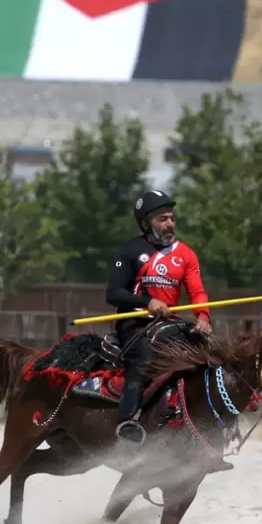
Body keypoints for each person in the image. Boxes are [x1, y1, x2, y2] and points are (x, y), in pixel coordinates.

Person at [105, 189, 214, 448]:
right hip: (135, 323)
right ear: (145, 224)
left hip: (169, 324)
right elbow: (113, 293)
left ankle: (209, 424)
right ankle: (127, 422)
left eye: (172, 218)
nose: (170, 224)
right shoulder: (131, 250)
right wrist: (148, 302)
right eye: (162, 219)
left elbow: (197, 292)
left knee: (207, 355)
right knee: (143, 359)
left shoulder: (186, 254)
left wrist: (203, 316)